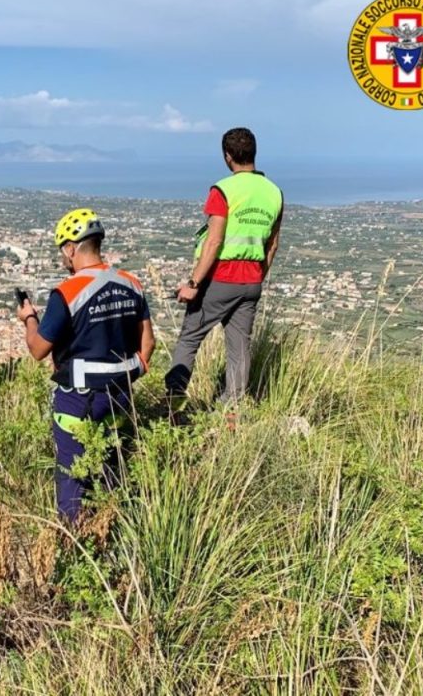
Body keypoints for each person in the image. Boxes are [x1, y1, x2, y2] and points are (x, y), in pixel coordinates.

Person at [17, 209, 155, 522]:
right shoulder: (131, 283)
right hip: (120, 394)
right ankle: (113, 528)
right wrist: (134, 371)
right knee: (110, 467)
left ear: (71, 248)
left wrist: (28, 319)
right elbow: (148, 343)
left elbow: (38, 349)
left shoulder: (67, 293)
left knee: (72, 475)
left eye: (62, 250)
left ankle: (73, 546)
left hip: (77, 399)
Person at [164, 127, 283, 420]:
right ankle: (233, 411)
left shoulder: (223, 190)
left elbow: (214, 241)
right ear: (253, 153)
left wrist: (193, 283)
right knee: (239, 346)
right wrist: (257, 276)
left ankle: (171, 406)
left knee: (190, 339)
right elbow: (273, 244)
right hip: (252, 280)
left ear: (227, 157)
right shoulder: (274, 192)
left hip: (220, 278)